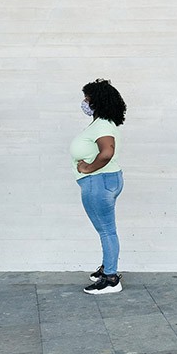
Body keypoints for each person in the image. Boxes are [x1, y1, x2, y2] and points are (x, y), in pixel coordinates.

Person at [71, 79, 127, 295]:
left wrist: (88, 168)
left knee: (106, 230)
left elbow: (107, 152)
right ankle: (107, 267)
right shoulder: (102, 123)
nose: (85, 103)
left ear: (98, 101)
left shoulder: (103, 125)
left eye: (87, 99)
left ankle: (111, 279)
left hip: (99, 182)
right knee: (106, 229)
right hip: (104, 180)